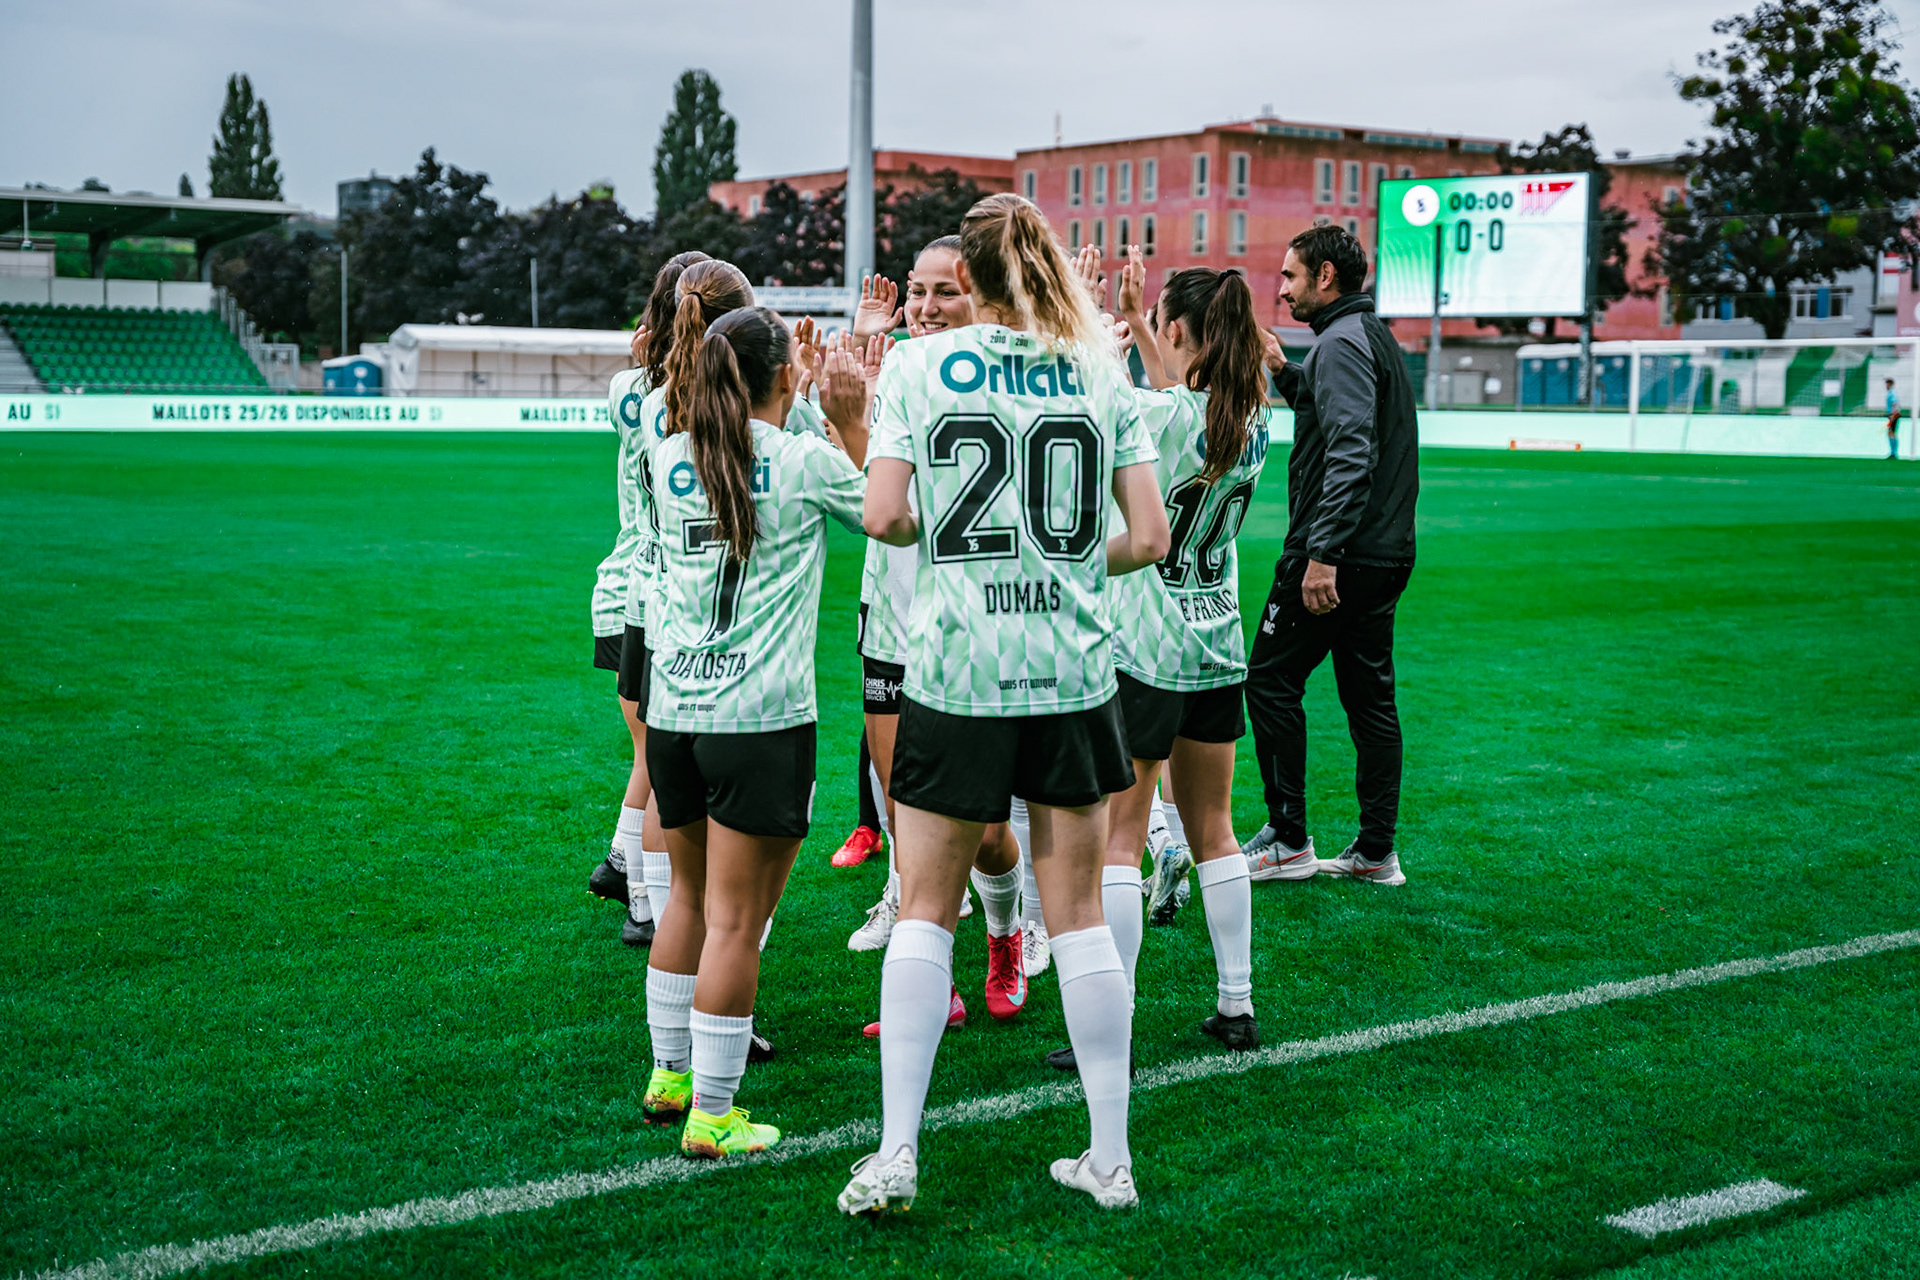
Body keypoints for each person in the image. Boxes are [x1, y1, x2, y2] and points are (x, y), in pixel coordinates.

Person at [837, 193, 1170, 1215]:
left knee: (923, 908)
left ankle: (896, 1152)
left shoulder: (916, 365)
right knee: (1078, 920)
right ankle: (1108, 1157)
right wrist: (1066, 561)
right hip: (1071, 668)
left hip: (955, 667)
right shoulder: (1094, 367)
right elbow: (1150, 535)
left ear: (968, 280)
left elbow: (885, 514)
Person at [641, 305, 868, 1158]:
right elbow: (893, 516)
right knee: (738, 922)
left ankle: (669, 1076)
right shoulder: (806, 460)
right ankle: (714, 1114)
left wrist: (799, 403)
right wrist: (846, 417)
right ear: (784, 376)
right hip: (760, 720)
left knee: (693, 903)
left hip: (676, 714)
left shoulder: (670, 456)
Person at [1052, 252, 1271, 1062]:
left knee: (1119, 836)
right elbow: (1172, 390)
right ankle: (1236, 1003)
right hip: (1219, 642)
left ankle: (1116, 1015)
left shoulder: (1163, 415)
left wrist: (1091, 317)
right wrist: (1142, 322)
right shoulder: (1256, 413)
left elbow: (1122, 404)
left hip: (1146, 648)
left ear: (1182, 332)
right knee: (1214, 827)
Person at [841, 242, 1024, 1033]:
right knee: (908, 815)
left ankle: (1010, 930)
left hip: (968, 624)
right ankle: (933, 976)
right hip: (890, 615)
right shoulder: (894, 373)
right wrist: (852, 401)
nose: (922, 307)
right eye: (916, 292)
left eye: (943, 292)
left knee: (985, 833)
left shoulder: (1013, 381)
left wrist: (860, 417)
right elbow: (864, 499)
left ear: (982, 297)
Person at [1240, 225, 1419, 886]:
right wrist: (1288, 374)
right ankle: (1376, 853)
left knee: (1268, 678)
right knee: (1369, 699)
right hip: (1386, 552)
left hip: (1339, 555)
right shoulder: (1368, 335)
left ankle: (1287, 837)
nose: (1281, 291)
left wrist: (1323, 556)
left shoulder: (1341, 342)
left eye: (1290, 277)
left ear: (1324, 277)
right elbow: (1342, 421)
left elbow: (1351, 452)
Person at [1887, 378, 1902, 460]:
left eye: (1887, 384)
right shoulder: (1891, 393)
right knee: (1891, 432)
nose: (1886, 386)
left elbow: (1895, 404)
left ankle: (1894, 453)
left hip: (1894, 415)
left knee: (1891, 432)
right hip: (1893, 415)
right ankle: (1893, 452)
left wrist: (1893, 414)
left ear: (1890, 384)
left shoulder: (1892, 393)